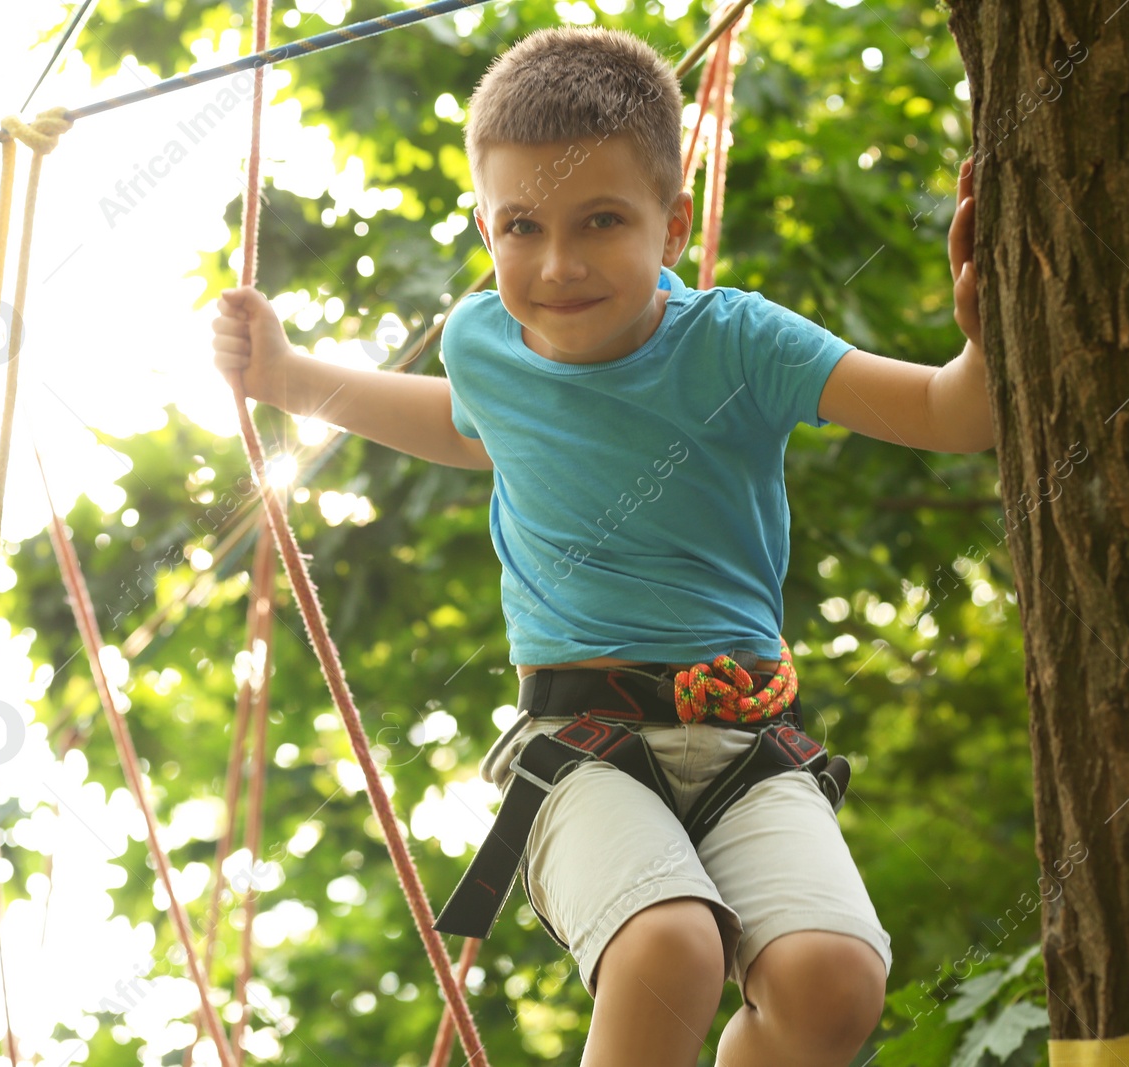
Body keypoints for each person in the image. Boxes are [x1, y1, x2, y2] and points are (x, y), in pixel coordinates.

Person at [211, 25, 991, 1067]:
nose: (557, 263)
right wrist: (292, 379)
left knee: (830, 981)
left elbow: (950, 414)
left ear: (671, 227)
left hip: (747, 742)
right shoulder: (482, 340)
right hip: (580, 746)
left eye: (602, 222)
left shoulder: (738, 343)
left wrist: (990, 337)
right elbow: (462, 423)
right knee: (669, 948)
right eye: (520, 226)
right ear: (484, 227)